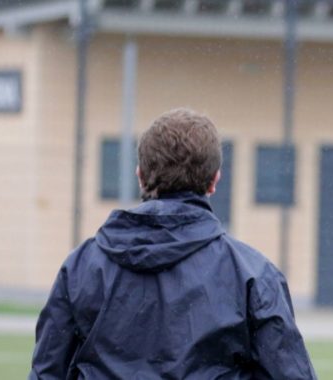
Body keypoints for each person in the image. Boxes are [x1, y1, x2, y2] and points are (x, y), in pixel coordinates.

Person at [30, 109, 316, 379]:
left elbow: (47, 372)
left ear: (140, 174)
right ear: (214, 181)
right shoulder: (253, 274)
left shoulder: (81, 267)